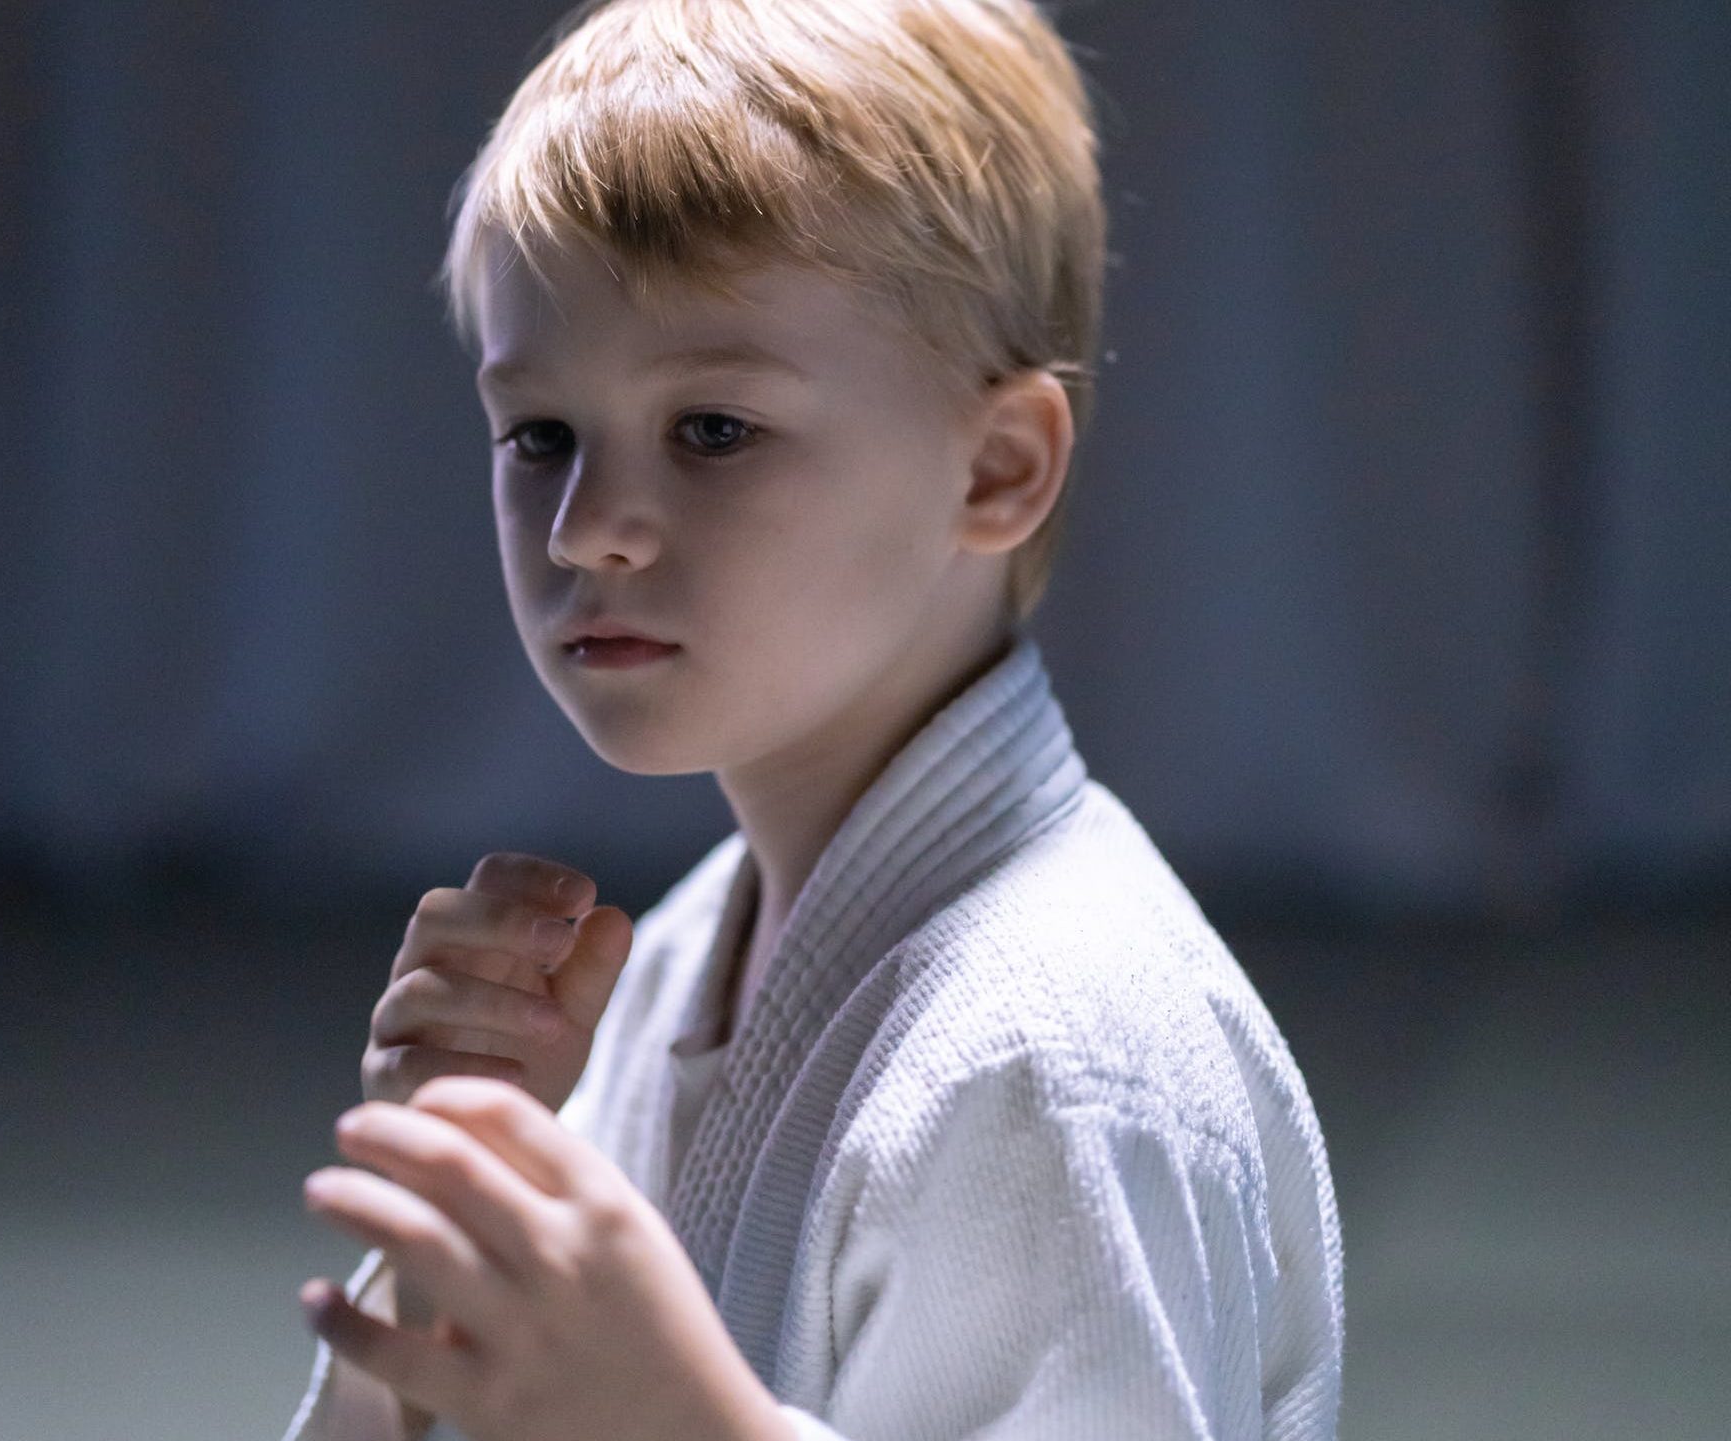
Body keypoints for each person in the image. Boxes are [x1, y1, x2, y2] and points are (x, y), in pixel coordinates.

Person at [283, 0, 1345, 1436]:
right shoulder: (666, 970)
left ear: (996, 467)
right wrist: (447, 1247)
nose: (590, 527)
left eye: (713, 428)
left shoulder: (1060, 1065)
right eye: (541, 435)